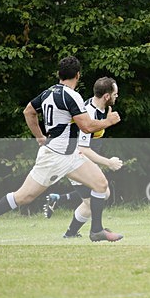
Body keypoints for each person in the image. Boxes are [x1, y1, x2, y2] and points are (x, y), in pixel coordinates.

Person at [0, 56, 123, 247]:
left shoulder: (48, 93)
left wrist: (39, 136)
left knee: (100, 184)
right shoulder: (72, 96)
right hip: (54, 157)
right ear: (78, 75)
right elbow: (86, 127)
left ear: (59, 74)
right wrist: (109, 121)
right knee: (24, 197)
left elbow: (28, 111)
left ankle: (96, 230)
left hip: (71, 156)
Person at [54, 76, 123, 238]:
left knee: (102, 194)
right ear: (106, 96)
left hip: (83, 161)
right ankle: (92, 231)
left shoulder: (98, 108)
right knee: (94, 201)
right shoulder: (90, 113)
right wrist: (109, 163)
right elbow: (83, 148)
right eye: (115, 94)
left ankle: (71, 230)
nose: (116, 97)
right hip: (75, 160)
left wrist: (107, 121)